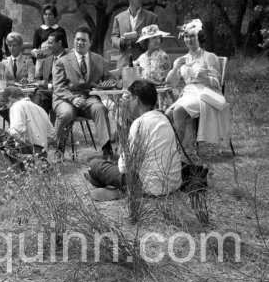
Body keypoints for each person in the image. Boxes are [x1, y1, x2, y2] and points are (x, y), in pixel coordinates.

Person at [83, 80, 182, 200]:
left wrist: (120, 159)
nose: (128, 102)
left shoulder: (139, 123)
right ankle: (113, 187)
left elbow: (124, 167)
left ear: (136, 100)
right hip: (173, 184)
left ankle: (115, 187)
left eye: (129, 98)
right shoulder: (165, 118)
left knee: (95, 165)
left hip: (147, 187)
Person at [165, 19, 231, 147]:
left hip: (205, 93)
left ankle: (177, 150)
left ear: (199, 37)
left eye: (192, 36)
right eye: (186, 36)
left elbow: (217, 82)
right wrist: (175, 68)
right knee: (167, 114)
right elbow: (171, 83)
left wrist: (198, 75)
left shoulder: (209, 56)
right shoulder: (182, 59)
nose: (189, 39)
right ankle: (174, 146)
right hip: (189, 93)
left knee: (178, 110)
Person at [52, 25, 113, 159]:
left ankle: (107, 151)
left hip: (89, 98)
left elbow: (110, 79)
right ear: (73, 41)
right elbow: (58, 87)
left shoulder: (100, 61)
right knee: (66, 113)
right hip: (66, 98)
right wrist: (73, 99)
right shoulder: (62, 62)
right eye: (77, 39)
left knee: (100, 109)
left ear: (90, 43)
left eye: (84, 40)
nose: (80, 43)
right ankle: (58, 150)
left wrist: (109, 83)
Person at [0, 86, 55, 169]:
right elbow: (52, 136)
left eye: (7, 105)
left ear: (10, 100)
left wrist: (3, 144)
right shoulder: (40, 109)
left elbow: (15, 130)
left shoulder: (16, 106)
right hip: (42, 155)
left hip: (30, 155)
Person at [111, 0, 158, 69]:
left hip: (144, 63)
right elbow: (114, 38)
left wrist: (141, 39)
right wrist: (120, 41)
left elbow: (156, 38)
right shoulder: (118, 18)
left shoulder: (152, 17)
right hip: (124, 63)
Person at [0, 32, 34, 124]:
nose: (12, 48)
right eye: (9, 45)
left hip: (23, 96)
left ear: (20, 46)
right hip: (8, 98)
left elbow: (32, 79)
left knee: (19, 108)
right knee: (3, 107)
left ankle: (15, 128)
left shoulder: (28, 61)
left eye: (15, 45)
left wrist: (27, 82)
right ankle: (15, 126)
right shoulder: (4, 62)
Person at [31, 31, 68, 115]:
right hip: (48, 95)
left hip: (64, 94)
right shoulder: (47, 60)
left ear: (59, 43)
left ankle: (36, 123)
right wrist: (35, 82)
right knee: (35, 95)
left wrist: (47, 85)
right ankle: (39, 124)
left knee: (39, 94)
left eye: (50, 43)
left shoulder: (70, 59)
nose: (47, 45)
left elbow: (70, 81)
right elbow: (38, 78)